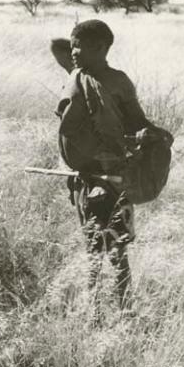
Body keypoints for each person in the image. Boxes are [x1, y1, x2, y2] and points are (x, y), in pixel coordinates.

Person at [51, 19, 156, 321]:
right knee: (92, 246)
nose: (72, 51)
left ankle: (125, 310)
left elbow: (137, 121)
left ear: (101, 48)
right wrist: (76, 42)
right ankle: (93, 313)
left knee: (117, 248)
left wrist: (149, 133)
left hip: (111, 177)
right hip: (84, 179)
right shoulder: (77, 74)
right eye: (72, 45)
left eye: (80, 46)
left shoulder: (118, 82)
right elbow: (55, 46)